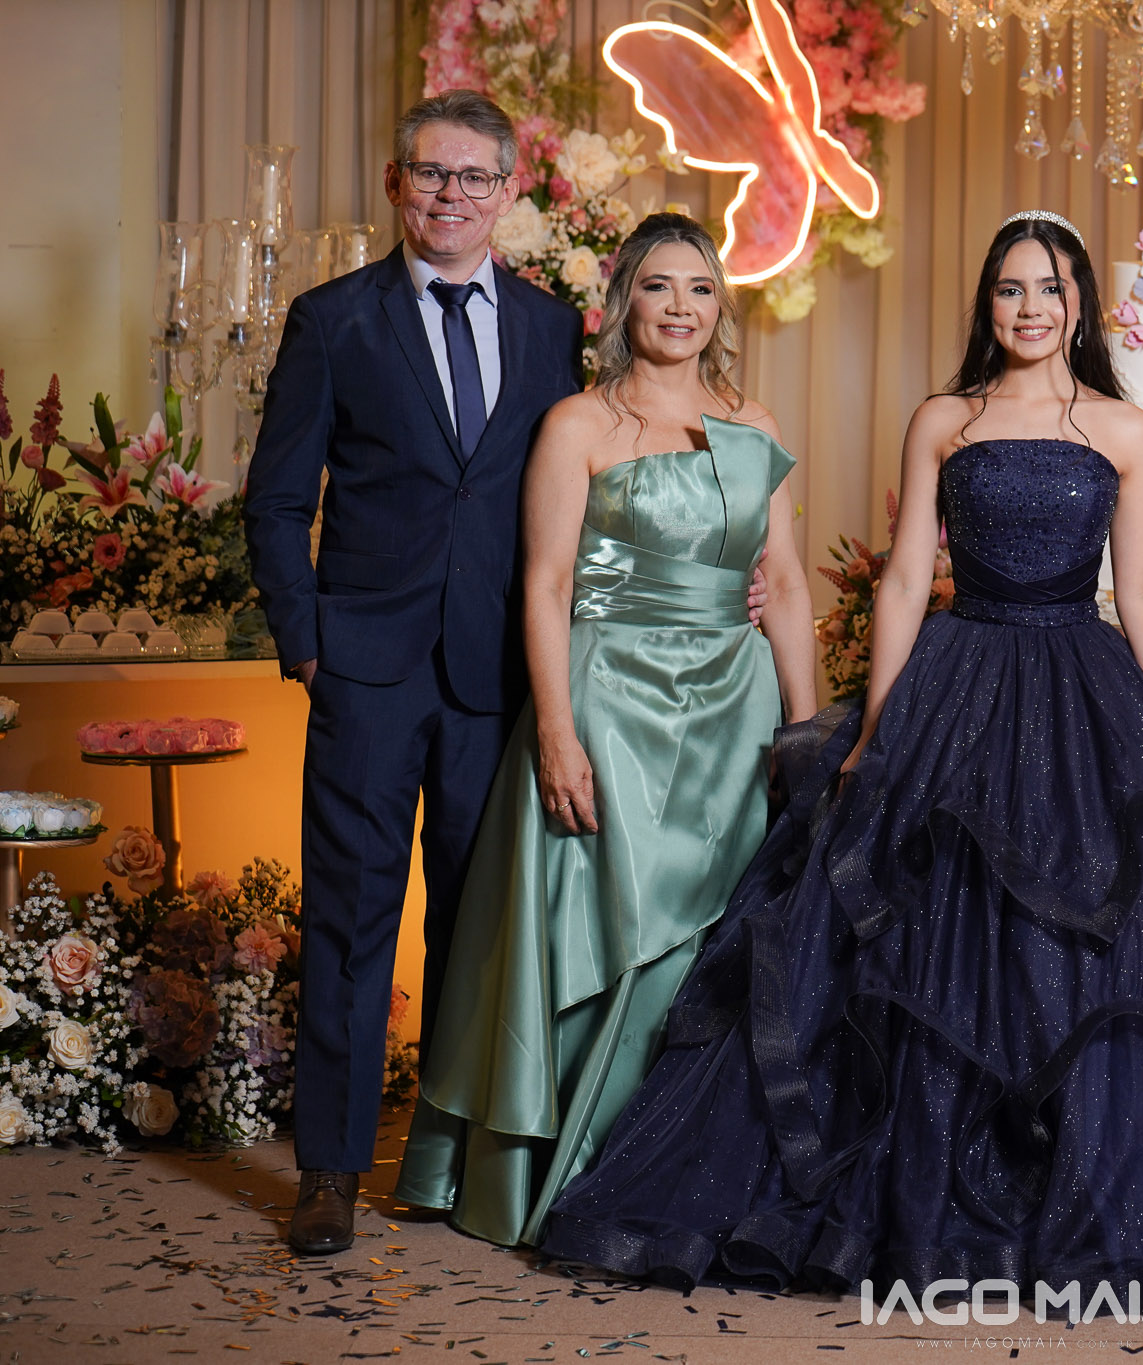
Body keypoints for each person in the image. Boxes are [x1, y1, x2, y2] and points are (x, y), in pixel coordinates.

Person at [538, 211, 1143, 1308]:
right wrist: (873, 732)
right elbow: (900, 580)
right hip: (957, 680)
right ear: (988, 304)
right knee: (924, 933)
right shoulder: (944, 418)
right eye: (1011, 289)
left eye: (1050, 289)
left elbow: (1140, 592)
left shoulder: (1121, 427)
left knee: (1097, 937)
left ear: (1079, 307)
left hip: (1083, 681)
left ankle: (1083, 1187)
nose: (1030, 308)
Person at [392, 214, 816, 1246]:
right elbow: (542, 587)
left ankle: (680, 1171)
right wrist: (556, 732)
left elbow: (788, 585)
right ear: (625, 300)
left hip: (732, 710)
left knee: (711, 935)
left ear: (721, 308)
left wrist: (805, 732)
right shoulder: (577, 423)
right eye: (659, 286)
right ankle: (568, 1175)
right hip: (608, 703)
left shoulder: (754, 422)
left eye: (700, 289)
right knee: (603, 924)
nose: (680, 307)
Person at [244, 90, 586, 1257]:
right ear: (396, 185)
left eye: (473, 176)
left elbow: (585, 493)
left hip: (500, 674)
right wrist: (306, 640)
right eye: (430, 173)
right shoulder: (333, 320)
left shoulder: (552, 329)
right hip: (367, 671)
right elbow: (277, 498)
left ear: (507, 192)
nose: (450, 194)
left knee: (477, 927)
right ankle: (330, 1170)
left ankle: (440, 1163)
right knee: (349, 920)